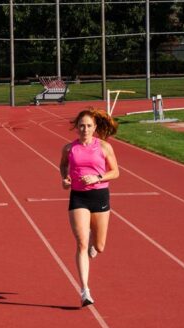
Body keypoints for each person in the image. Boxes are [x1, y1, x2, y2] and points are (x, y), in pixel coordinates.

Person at [59, 107, 119, 307]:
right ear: (76, 127)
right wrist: (65, 179)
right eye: (82, 126)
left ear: (94, 128)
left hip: (100, 194)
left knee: (99, 247)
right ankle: (85, 290)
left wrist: (97, 177)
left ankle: (95, 242)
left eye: (89, 126)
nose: (85, 129)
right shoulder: (69, 149)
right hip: (78, 197)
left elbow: (116, 172)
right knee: (81, 243)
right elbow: (62, 166)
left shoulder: (103, 147)